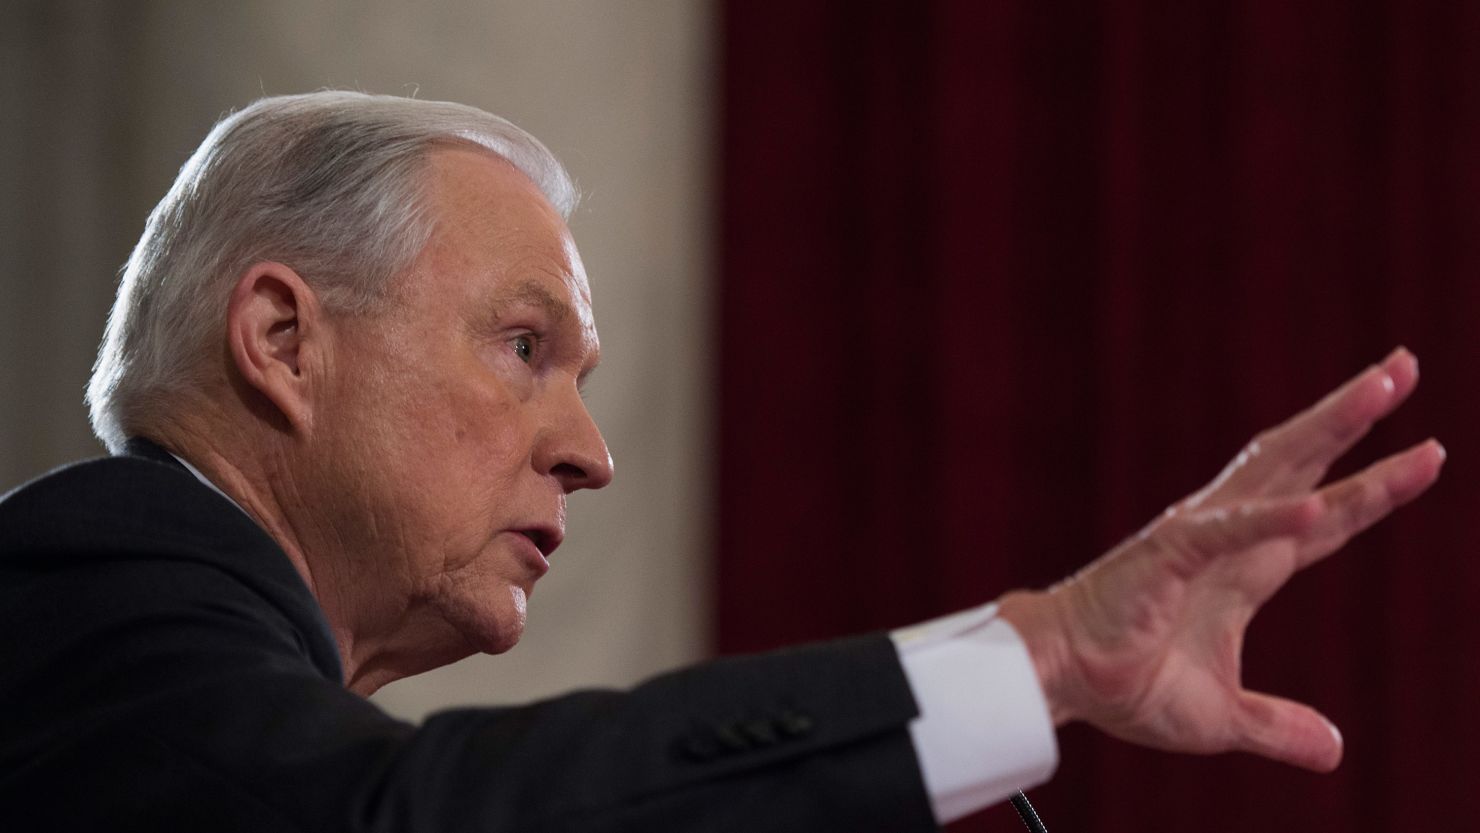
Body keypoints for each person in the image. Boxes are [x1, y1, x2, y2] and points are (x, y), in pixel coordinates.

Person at [0, 92, 1444, 831]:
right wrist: (1037, 659)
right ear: (282, 338)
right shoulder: (90, 598)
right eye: (522, 345)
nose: (591, 451)